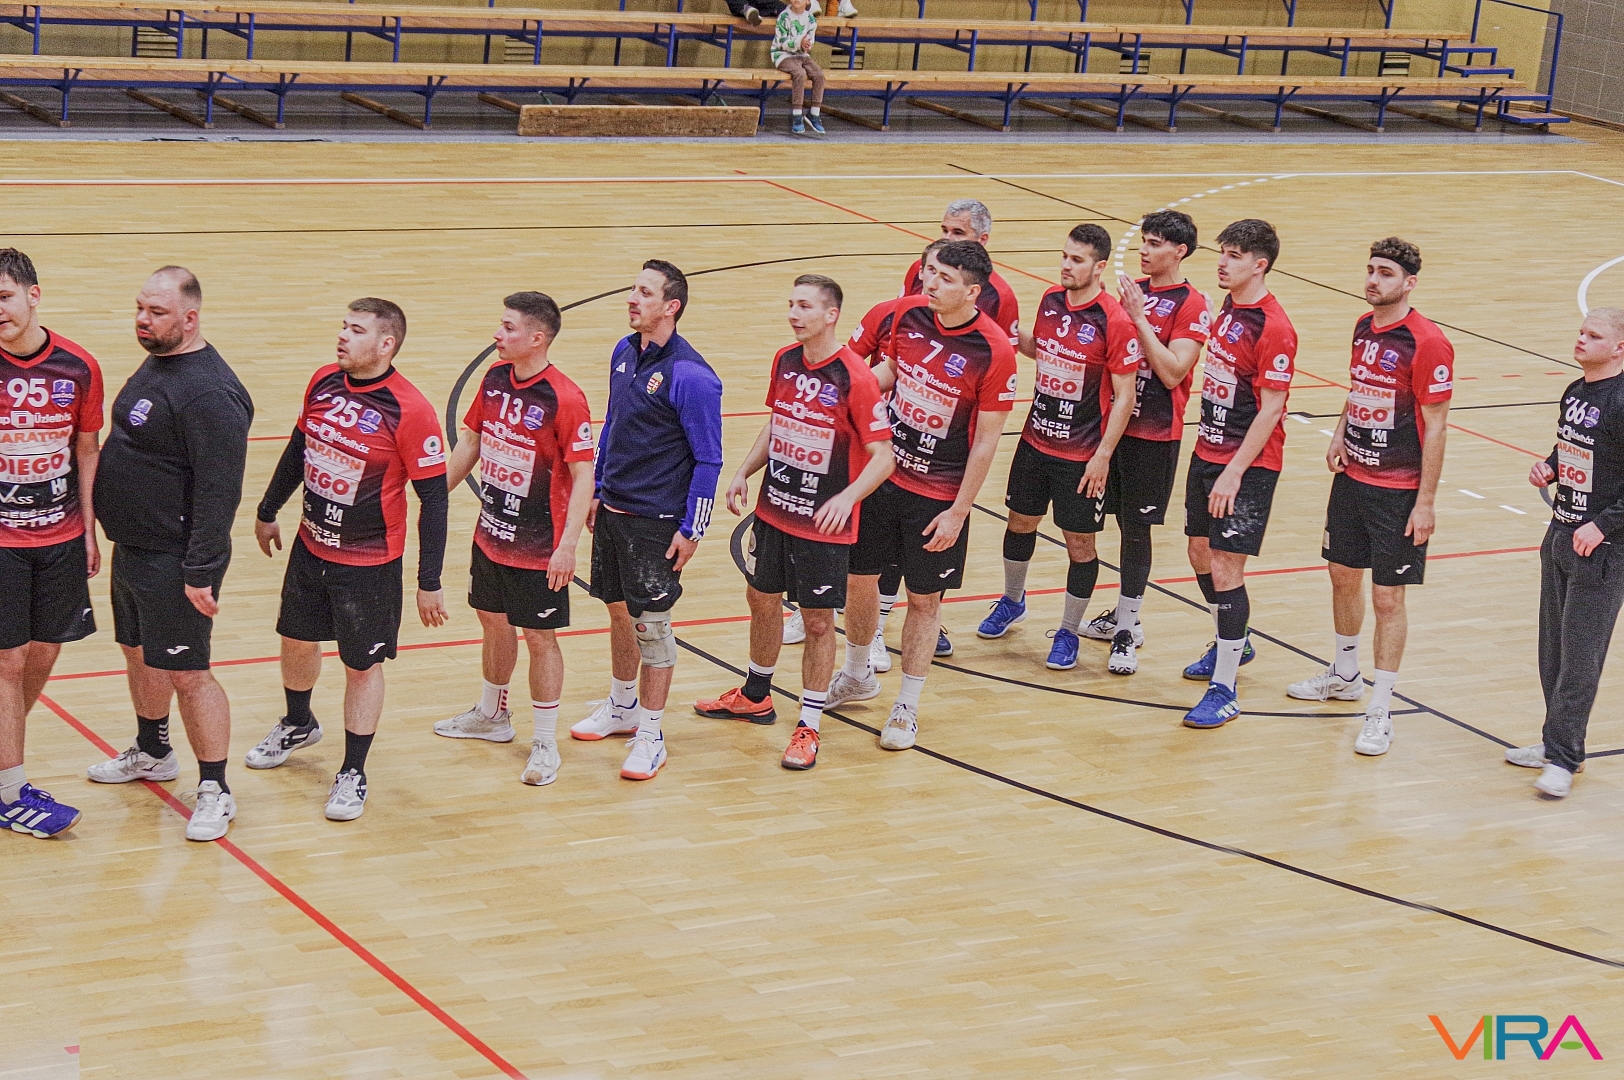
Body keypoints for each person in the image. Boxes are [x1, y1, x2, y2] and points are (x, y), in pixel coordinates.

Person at [248, 298, 449, 822]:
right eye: (343, 326)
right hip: (310, 544)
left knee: (361, 665)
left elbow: (435, 500)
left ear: (385, 345)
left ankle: (353, 770)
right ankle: (298, 722)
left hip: (369, 562)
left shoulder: (411, 409)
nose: (342, 336)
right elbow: (299, 448)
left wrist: (429, 580)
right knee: (296, 638)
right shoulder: (323, 381)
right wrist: (268, 509)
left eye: (355, 330)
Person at [694, 275, 893, 770]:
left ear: (831, 315)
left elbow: (884, 457)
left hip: (822, 527)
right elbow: (776, 422)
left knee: (818, 622)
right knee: (760, 599)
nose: (793, 314)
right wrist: (743, 471)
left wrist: (847, 497)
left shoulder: (855, 377)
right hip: (774, 510)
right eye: (791, 304)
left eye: (804, 306)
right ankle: (755, 694)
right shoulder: (785, 359)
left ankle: (809, 723)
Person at [87, 267, 253, 843]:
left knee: (189, 672)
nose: (143, 320)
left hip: (176, 560)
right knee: (138, 654)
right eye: (140, 308)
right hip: (134, 547)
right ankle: (153, 751)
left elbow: (219, 491)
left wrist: (201, 570)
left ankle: (215, 788)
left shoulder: (210, 393)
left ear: (190, 318)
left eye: (156, 313)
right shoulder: (160, 362)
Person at [832, 240, 1017, 750]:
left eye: (945, 278)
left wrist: (959, 511)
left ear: (972, 292)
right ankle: (856, 674)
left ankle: (906, 706)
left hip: (937, 494)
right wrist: (846, 397)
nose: (930, 283)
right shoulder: (907, 315)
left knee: (923, 599)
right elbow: (892, 371)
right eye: (930, 272)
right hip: (883, 477)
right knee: (859, 580)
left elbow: (986, 440)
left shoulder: (994, 351)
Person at [1285, 239, 1453, 757]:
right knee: (1342, 575)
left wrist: (1425, 502)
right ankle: (1345, 674)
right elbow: (1359, 388)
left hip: (1398, 493)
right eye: (1371, 270)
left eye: (1385, 273)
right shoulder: (1363, 326)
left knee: (1388, 598)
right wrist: (1339, 432)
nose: (1373, 280)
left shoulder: (1427, 342)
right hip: (1353, 479)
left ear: (1409, 283)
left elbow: (1437, 426)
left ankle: (1380, 708)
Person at [568, 260, 723, 782]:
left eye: (644, 292)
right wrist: (597, 488)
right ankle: (622, 706)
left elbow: (708, 460)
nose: (632, 299)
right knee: (617, 611)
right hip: (614, 510)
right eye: (633, 289)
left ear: (671, 306)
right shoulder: (623, 351)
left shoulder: (693, 377)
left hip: (657, 521)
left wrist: (693, 529)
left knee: (651, 627)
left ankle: (652, 735)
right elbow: (612, 423)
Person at [435, 293, 595, 788]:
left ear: (536, 338)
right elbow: (471, 441)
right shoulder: (495, 378)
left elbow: (583, 475)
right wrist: (431, 495)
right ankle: (492, 715)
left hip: (540, 546)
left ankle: (545, 742)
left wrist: (567, 546)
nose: (497, 335)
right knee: (493, 621)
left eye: (508, 328)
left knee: (539, 638)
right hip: (491, 534)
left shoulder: (565, 398)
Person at [976, 224, 1138, 672]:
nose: (1066, 265)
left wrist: (1103, 456)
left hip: (1081, 456)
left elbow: (1125, 396)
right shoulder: (1051, 299)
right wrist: (1006, 335)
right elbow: (1041, 347)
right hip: (1034, 442)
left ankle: (1068, 631)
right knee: (1019, 522)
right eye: (1065, 256)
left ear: (1099, 267)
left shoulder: (1114, 320)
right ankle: (1013, 601)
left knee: (1080, 545)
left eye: (1077, 260)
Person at [1080, 210, 1211, 674]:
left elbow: (1174, 371)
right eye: (1144, 242)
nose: (1144, 250)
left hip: (1154, 435)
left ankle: (1126, 631)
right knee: (1106, 525)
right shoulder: (1133, 291)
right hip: (1111, 429)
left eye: (1155, 244)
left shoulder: (1191, 303)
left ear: (1179, 251)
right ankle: (1123, 616)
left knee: (1136, 530)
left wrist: (1137, 318)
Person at [0, 249, 102, 838]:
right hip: (3, 543)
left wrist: (89, 527)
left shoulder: (78, 367)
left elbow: (85, 448)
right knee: (7, 660)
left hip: (61, 536)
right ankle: (10, 791)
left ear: (33, 295)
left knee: (42, 652)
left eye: (4, 297)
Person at [1181, 220, 1296, 730]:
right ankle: (1237, 640)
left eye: (1233, 255)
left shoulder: (1275, 327)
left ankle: (1224, 688)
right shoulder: (1228, 308)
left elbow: (1271, 408)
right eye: (1222, 252)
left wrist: (1233, 472)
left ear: (1259, 265)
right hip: (1208, 451)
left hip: (1248, 465)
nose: (1222, 262)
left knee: (1228, 568)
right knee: (1198, 552)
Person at [1505, 307, 1624, 798]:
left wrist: (1603, 525)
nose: (1581, 339)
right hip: (1561, 532)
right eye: (1581, 332)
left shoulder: (1621, 401)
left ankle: (1564, 758)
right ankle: (1557, 741)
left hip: (1603, 547)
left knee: (1580, 657)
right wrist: (1550, 467)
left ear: (1618, 347)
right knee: (1551, 649)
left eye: (1593, 335)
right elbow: (1574, 448)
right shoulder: (1576, 392)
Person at [772, 0, 826, 136]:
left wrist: (806, 45)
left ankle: (814, 113)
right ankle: (797, 114)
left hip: (802, 54)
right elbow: (781, 42)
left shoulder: (811, 18)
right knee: (799, 73)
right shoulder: (784, 16)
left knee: (819, 75)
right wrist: (798, 42)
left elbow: (810, 40)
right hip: (782, 54)